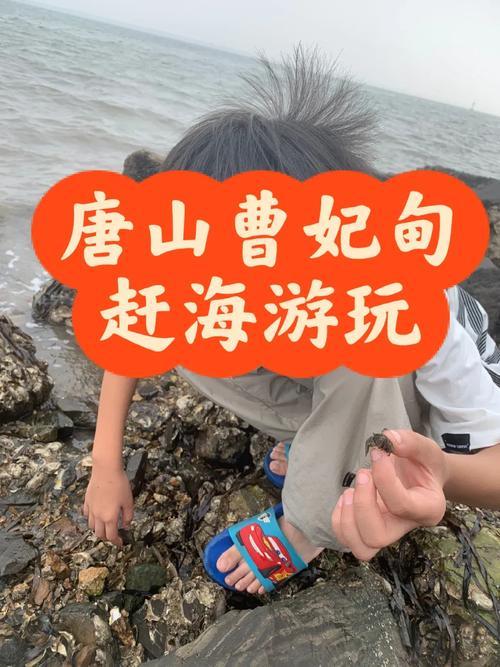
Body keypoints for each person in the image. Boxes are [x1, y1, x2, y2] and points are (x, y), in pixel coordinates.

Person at [84, 47, 500, 596]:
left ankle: (306, 527)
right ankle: (321, 449)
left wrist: (439, 472)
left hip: (419, 425)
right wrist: (105, 464)